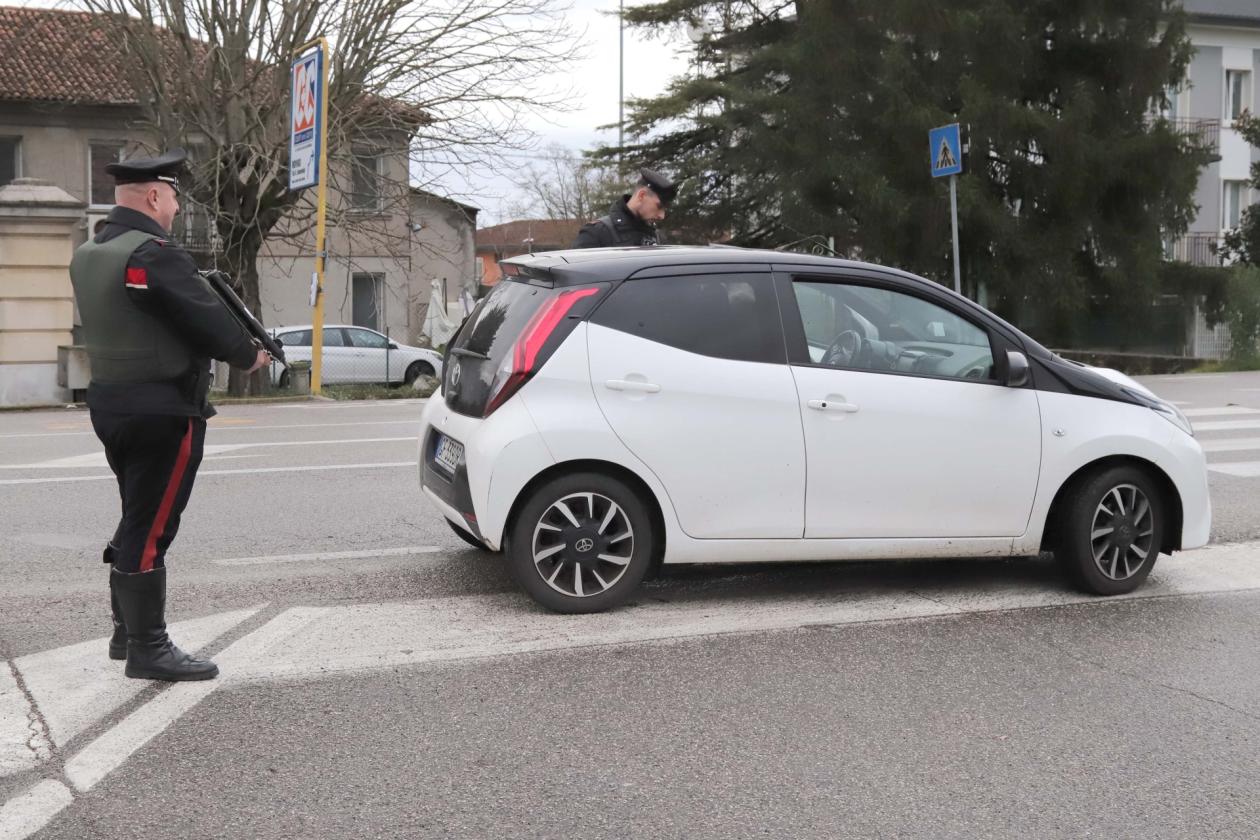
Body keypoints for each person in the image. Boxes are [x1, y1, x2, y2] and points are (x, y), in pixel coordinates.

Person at [68, 148, 268, 681]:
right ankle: (148, 649)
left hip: (110, 403)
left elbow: (147, 313)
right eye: (175, 197)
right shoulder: (155, 254)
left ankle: (125, 633)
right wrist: (249, 356)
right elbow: (209, 323)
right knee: (152, 527)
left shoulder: (90, 251)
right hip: (163, 410)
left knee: (138, 514)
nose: (177, 208)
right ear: (155, 196)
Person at [572, 167, 677, 248]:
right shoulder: (597, 233)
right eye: (659, 206)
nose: (662, 216)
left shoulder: (656, 237)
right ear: (641, 195)